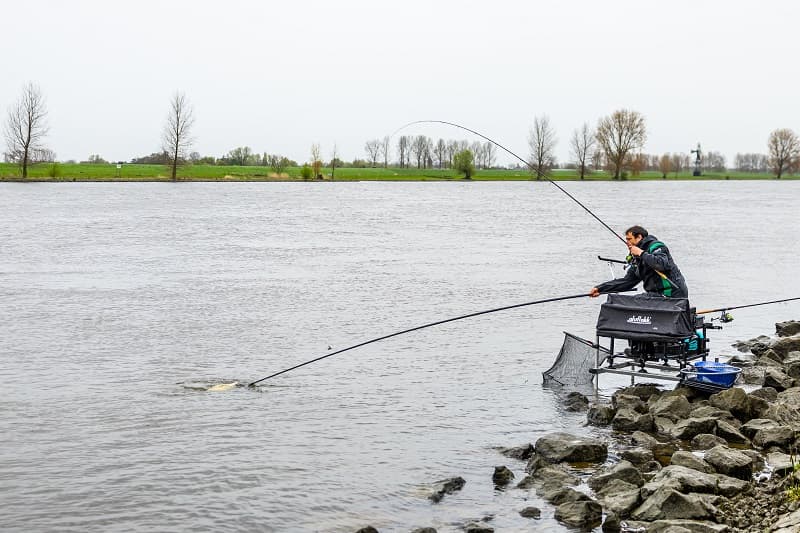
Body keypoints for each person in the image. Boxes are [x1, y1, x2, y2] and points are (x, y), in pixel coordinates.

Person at [590, 225, 688, 299]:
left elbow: (662, 264)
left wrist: (641, 253)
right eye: (626, 240)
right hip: (655, 295)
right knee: (624, 302)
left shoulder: (656, 246)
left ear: (639, 237)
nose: (627, 243)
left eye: (629, 239)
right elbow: (627, 282)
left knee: (634, 301)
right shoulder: (637, 258)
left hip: (672, 293)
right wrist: (601, 289)